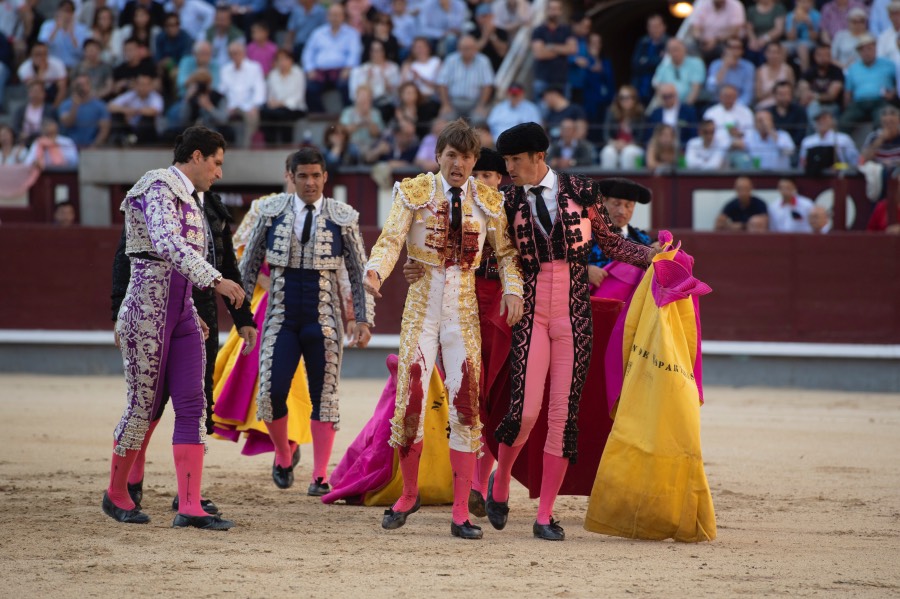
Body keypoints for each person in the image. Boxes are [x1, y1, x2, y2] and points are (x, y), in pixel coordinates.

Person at [486, 122, 654, 541]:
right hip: (529, 315)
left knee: (563, 415)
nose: (508, 169)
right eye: (505, 162)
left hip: (574, 317)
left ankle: (545, 514)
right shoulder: (505, 200)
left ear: (538, 156)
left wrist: (654, 257)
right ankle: (502, 479)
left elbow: (612, 243)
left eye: (514, 161)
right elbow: (491, 259)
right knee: (524, 412)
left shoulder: (580, 189)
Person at [363, 119, 524, 540]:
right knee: (411, 398)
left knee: (467, 405)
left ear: (474, 161)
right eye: (452, 156)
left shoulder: (489, 201)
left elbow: (507, 254)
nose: (459, 164)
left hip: (463, 313)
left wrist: (513, 290)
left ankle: (459, 511)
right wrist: (376, 273)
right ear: (439, 156)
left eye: (467, 157)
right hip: (421, 310)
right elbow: (391, 239)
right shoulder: (412, 191)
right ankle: (409, 492)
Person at [105, 126, 245, 529]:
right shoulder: (157, 184)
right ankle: (116, 493)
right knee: (142, 406)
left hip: (181, 314)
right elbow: (166, 242)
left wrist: (190, 307)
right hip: (147, 312)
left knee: (192, 404)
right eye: (217, 162)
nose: (219, 172)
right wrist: (215, 280)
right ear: (197, 156)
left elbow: (179, 261)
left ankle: (189, 506)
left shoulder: (191, 198)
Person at [239, 148, 374, 495]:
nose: (311, 182)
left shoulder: (343, 216)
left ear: (325, 177)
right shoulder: (270, 213)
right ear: (292, 177)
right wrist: (242, 318)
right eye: (303, 176)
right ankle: (285, 454)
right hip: (280, 317)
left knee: (325, 397)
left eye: (316, 175)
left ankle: (319, 475)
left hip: (324, 319)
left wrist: (363, 318)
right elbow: (249, 265)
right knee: (269, 394)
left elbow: (359, 272)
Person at [302, 3, 362, 113]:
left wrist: (348, 69)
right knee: (310, 88)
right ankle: (320, 116)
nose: (335, 18)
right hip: (320, 71)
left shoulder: (352, 33)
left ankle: (347, 114)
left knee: (346, 86)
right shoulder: (318, 33)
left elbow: (354, 54)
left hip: (342, 70)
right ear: (327, 16)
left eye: (338, 15)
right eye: (332, 14)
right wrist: (310, 69)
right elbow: (308, 53)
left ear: (343, 16)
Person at [839, 34, 896, 135]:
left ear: (875, 49)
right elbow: (848, 92)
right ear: (859, 52)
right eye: (863, 50)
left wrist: (893, 93)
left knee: (882, 121)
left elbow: (897, 83)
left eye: (869, 48)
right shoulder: (853, 68)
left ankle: (882, 149)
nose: (866, 52)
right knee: (844, 123)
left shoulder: (889, 64)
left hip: (880, 102)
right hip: (859, 103)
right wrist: (847, 108)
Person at [218, 40, 265, 148]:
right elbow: (222, 91)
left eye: (237, 53)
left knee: (252, 117)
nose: (235, 56)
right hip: (230, 106)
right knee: (214, 114)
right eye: (232, 53)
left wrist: (255, 106)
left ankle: (245, 148)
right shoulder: (225, 69)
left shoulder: (254, 67)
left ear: (243, 53)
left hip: (248, 105)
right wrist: (228, 106)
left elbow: (259, 89)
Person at [436, 35, 494, 120]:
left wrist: (481, 106)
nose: (467, 50)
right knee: (444, 120)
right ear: (459, 48)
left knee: (479, 120)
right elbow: (442, 84)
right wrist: (445, 105)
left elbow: (487, 86)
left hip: (475, 103)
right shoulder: (450, 60)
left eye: (469, 48)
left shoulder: (483, 61)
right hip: (453, 102)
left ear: (475, 48)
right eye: (464, 48)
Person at [530, 0, 576, 100]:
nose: (554, 12)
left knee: (564, 111)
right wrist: (562, 50)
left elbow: (572, 49)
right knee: (542, 112)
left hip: (562, 79)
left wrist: (551, 47)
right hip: (543, 79)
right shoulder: (538, 31)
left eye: (556, 9)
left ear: (560, 11)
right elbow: (539, 54)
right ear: (546, 10)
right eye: (551, 9)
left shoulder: (566, 29)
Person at [260, 49, 307, 145]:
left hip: (294, 107)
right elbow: (270, 96)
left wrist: (281, 103)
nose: (282, 62)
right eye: (279, 60)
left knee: (284, 114)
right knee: (264, 112)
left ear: (291, 60)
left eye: (285, 59)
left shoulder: (298, 73)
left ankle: (286, 144)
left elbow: (298, 97)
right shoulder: (273, 74)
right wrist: (273, 102)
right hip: (277, 108)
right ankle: (270, 144)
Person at [109, 72, 164, 145]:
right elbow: (111, 106)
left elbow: (155, 111)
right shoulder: (131, 94)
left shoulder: (155, 97)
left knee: (147, 118)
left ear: (150, 86)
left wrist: (135, 111)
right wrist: (126, 111)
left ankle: (137, 141)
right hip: (130, 127)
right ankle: (118, 140)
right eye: (140, 84)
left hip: (148, 133)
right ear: (136, 85)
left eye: (145, 85)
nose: (142, 87)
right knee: (117, 116)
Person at [599, 85, 646, 170]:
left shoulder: (640, 114)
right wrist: (615, 143)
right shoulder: (611, 113)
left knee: (628, 153)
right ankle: (608, 183)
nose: (625, 100)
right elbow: (606, 135)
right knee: (608, 152)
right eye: (622, 98)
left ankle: (627, 183)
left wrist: (626, 145)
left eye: (628, 97)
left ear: (634, 99)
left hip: (634, 146)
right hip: (616, 145)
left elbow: (641, 138)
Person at [58, 74, 111, 147]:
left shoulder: (100, 106)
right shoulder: (65, 105)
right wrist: (75, 106)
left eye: (83, 84)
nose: (81, 88)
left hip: (92, 147)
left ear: (89, 85)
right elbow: (67, 123)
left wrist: (94, 146)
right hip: (69, 147)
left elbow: (104, 129)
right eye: (78, 85)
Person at [651, 38, 706, 107]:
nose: (674, 53)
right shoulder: (663, 67)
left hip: (690, 105)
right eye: (671, 50)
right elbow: (658, 90)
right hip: (668, 106)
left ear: (684, 49)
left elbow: (696, 89)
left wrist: (685, 108)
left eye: (676, 49)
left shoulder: (696, 63)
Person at [798, 43, 844, 125]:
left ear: (830, 56)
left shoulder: (837, 71)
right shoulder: (810, 71)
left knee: (814, 109)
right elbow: (803, 89)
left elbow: (831, 96)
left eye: (826, 55)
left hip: (831, 106)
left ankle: (819, 133)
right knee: (810, 107)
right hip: (812, 104)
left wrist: (815, 96)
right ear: (815, 56)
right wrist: (808, 95)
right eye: (820, 55)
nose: (823, 58)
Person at [705, 37, 756, 108]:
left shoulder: (748, 67)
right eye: (730, 47)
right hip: (718, 104)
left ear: (742, 51)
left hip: (740, 104)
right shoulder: (715, 65)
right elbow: (711, 88)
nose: (734, 51)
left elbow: (748, 93)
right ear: (725, 49)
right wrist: (724, 67)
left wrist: (736, 106)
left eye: (737, 48)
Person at [38, 0, 90, 68]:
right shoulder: (47, 25)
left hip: (73, 66)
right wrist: (55, 29)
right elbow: (42, 46)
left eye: (69, 12)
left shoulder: (82, 29)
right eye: (64, 11)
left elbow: (81, 52)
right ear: (58, 11)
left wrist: (72, 34)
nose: (66, 14)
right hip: (52, 65)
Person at [644, 82, 697, 148]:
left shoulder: (688, 112)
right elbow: (649, 135)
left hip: (681, 146)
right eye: (665, 97)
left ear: (676, 95)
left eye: (670, 96)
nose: (667, 99)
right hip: (659, 147)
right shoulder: (655, 113)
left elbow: (693, 134)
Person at [630, 14, 668, 106]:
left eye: (657, 26)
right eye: (652, 26)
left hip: (660, 87)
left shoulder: (669, 43)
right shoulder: (642, 42)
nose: (655, 29)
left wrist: (646, 61)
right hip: (640, 87)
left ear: (664, 27)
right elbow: (635, 64)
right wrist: (657, 59)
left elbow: (665, 65)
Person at [17, 42, 68, 106]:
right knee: (36, 89)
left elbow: (62, 89)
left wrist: (54, 109)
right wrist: (41, 72)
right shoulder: (24, 69)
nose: (42, 57)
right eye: (38, 54)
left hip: (53, 92)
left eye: (44, 54)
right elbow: (34, 89)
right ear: (31, 55)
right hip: (34, 95)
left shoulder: (58, 65)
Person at [12, 81, 57, 146]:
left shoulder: (50, 110)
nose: (35, 94)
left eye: (38, 91)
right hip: (24, 142)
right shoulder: (21, 110)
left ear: (44, 93)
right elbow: (15, 127)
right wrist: (20, 134)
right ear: (28, 93)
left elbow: (53, 127)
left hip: (44, 141)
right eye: (33, 91)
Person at [754, 41, 794, 110]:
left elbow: (792, 92)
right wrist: (775, 90)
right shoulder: (760, 71)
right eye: (771, 52)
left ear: (781, 54)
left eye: (776, 53)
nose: (774, 55)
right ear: (765, 54)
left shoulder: (787, 69)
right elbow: (758, 96)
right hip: (765, 105)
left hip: (784, 105)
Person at [784, 0, 821, 71]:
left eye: (807, 2)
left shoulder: (816, 15)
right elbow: (790, 38)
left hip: (809, 42)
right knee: (782, 47)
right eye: (802, 2)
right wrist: (794, 23)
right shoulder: (790, 15)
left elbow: (814, 38)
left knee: (802, 47)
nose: (805, 5)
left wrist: (809, 24)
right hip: (794, 42)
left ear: (812, 4)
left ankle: (804, 75)